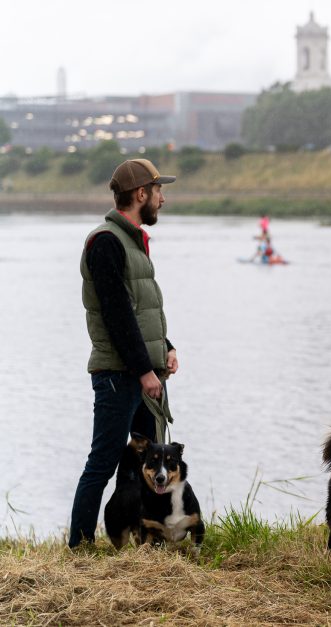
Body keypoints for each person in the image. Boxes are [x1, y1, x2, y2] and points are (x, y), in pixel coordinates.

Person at [69, 158, 179, 548]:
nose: (163, 199)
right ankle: (80, 546)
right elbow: (117, 316)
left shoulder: (133, 242)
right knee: (102, 463)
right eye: (158, 191)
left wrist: (165, 349)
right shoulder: (106, 243)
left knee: (145, 468)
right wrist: (143, 371)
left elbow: (142, 311)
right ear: (140, 194)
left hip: (143, 373)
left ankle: (144, 542)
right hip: (119, 376)